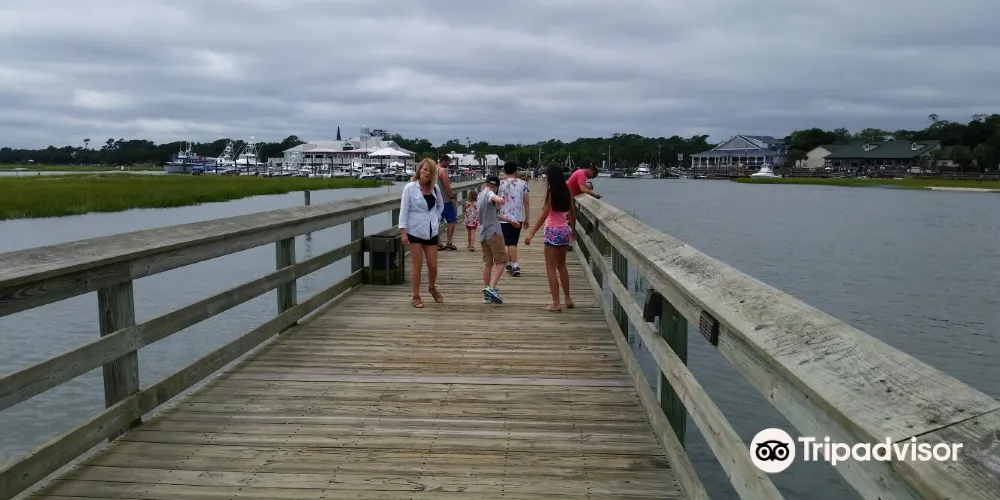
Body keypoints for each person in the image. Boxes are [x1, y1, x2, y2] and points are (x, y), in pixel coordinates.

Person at [524, 164, 576, 312]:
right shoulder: (567, 191)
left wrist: (531, 233)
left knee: (551, 268)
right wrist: (573, 230)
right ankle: (567, 299)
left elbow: (544, 214)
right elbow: (572, 213)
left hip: (552, 231)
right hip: (565, 230)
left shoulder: (551, 192)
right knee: (562, 266)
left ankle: (556, 303)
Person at [399, 158, 445, 308]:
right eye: (424, 169)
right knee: (417, 264)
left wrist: (437, 218)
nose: (427, 173)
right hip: (414, 230)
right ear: (419, 170)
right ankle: (416, 296)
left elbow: (440, 205)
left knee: (433, 265)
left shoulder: (435, 188)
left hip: (431, 230)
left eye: (430, 171)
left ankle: (432, 287)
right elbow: (403, 211)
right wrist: (403, 232)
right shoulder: (410, 188)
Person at [478, 175, 507, 304]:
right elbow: (495, 198)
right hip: (494, 233)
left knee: (488, 264)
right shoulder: (489, 193)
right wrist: (501, 199)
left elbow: (494, 215)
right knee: (502, 262)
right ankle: (491, 287)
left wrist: (510, 221)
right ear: (495, 187)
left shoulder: (480, 196)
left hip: (483, 234)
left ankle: (487, 295)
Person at [497, 161, 530, 276]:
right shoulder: (523, 184)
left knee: (508, 242)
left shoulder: (500, 184)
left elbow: (496, 201)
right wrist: (527, 218)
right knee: (513, 242)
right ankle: (512, 264)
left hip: (503, 217)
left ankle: (513, 265)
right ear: (516, 171)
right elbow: (526, 202)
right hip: (518, 217)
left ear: (505, 171)